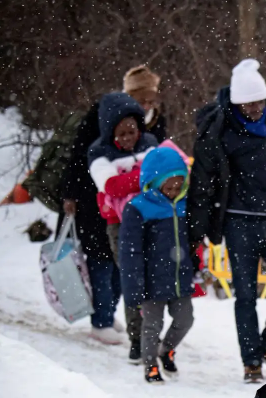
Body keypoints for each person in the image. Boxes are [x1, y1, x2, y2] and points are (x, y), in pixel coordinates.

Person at [188, 58, 266, 383]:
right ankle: (250, 361)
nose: (254, 108)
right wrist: (197, 232)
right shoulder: (217, 130)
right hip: (238, 222)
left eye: (259, 101)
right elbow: (202, 184)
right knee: (245, 295)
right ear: (236, 102)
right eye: (248, 103)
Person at [60, 65, 167, 348]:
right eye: (141, 99)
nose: (147, 105)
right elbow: (78, 155)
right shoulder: (100, 115)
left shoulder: (155, 121)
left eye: (150, 100)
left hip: (136, 206)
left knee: (124, 262)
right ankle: (102, 320)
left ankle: (108, 312)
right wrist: (70, 194)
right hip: (95, 200)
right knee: (101, 260)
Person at [86, 92, 158, 353]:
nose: (128, 139)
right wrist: (145, 176)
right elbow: (111, 185)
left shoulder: (149, 142)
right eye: (122, 134)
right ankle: (136, 337)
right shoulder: (99, 152)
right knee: (130, 277)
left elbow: (167, 171)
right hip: (119, 224)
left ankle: (150, 329)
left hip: (152, 219)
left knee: (149, 278)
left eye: (132, 131)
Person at [120, 147, 195, 384]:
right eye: (168, 187)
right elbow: (130, 252)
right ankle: (150, 365)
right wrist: (135, 287)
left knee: (185, 319)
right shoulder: (138, 208)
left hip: (179, 276)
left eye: (178, 186)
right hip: (152, 280)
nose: (173, 192)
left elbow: (191, 243)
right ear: (153, 183)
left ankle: (166, 350)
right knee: (152, 325)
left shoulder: (184, 205)